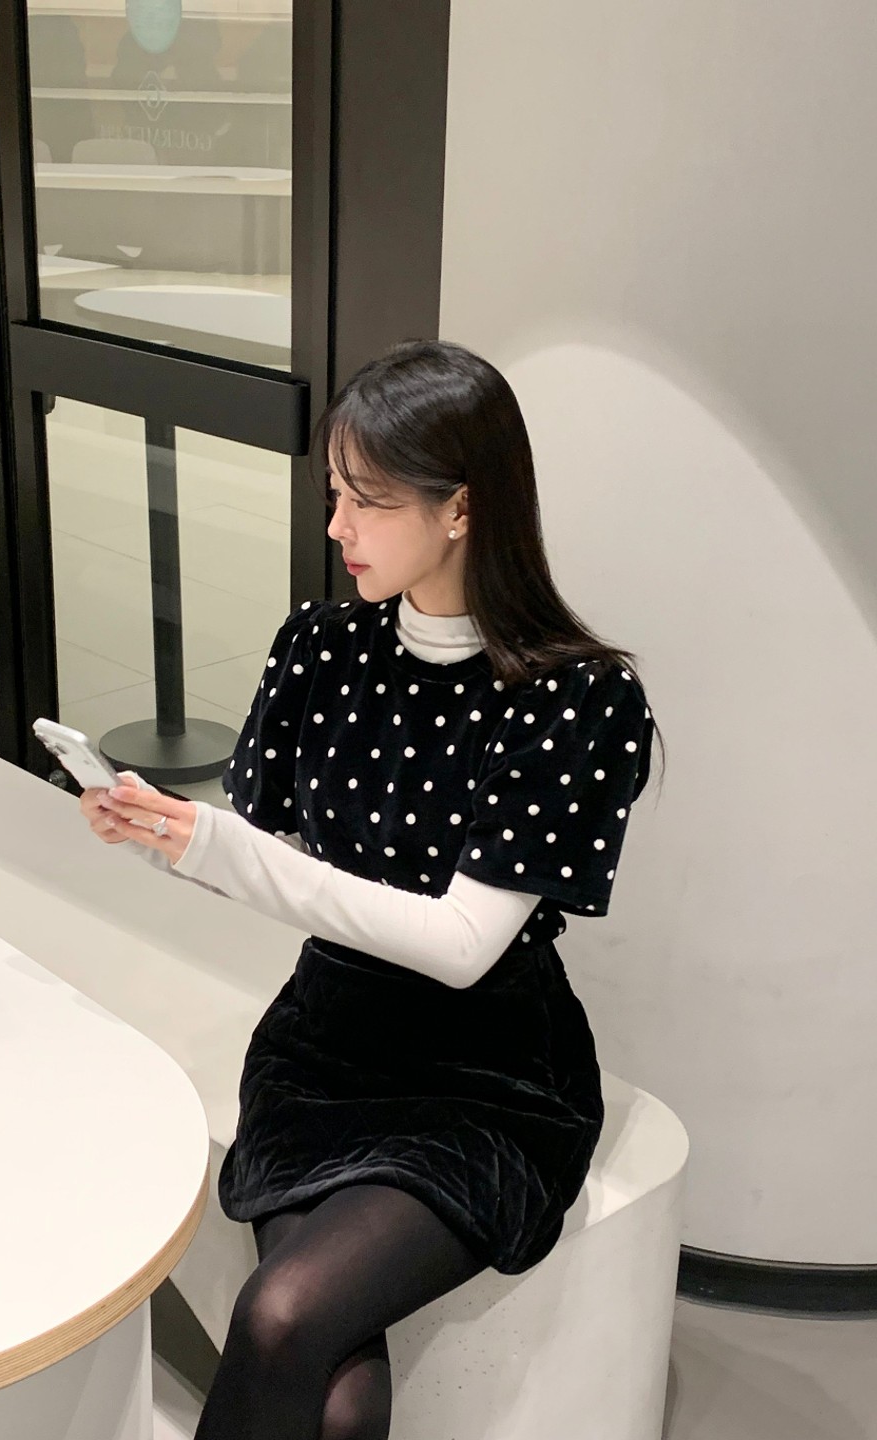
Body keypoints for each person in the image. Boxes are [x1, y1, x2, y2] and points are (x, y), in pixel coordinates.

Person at [81, 339, 663, 1439]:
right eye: (335, 494)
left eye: (369, 501)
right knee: (338, 1402)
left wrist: (214, 848)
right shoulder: (321, 647)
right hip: (324, 1048)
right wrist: (162, 836)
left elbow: (461, 944)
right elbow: (266, 861)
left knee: (284, 1311)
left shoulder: (576, 699)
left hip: (486, 1076)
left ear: (461, 509)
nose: (338, 527)